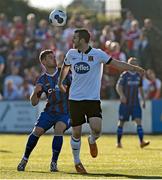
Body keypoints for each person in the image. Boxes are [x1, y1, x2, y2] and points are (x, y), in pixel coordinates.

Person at [58, 29, 145, 174]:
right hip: (75, 99)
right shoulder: (71, 54)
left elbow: (116, 64)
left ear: (83, 39)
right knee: (76, 132)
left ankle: (92, 140)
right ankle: (77, 162)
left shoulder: (98, 54)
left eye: (75, 37)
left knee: (97, 130)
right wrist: (60, 82)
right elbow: (65, 67)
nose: (72, 39)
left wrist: (133, 68)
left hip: (92, 99)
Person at [17, 49, 71, 172]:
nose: (54, 58)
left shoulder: (65, 73)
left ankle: (53, 163)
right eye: (50, 57)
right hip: (50, 111)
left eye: (54, 56)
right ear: (44, 62)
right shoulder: (41, 80)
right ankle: (24, 159)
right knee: (37, 131)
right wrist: (35, 93)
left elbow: (76, 89)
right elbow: (34, 102)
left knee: (59, 128)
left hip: (65, 112)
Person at [116, 57, 150, 148]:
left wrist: (143, 100)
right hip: (125, 103)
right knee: (121, 122)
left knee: (138, 121)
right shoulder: (124, 75)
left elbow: (141, 88)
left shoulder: (139, 76)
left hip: (135, 103)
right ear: (128, 64)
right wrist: (122, 95)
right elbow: (118, 86)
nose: (134, 65)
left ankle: (141, 142)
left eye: (135, 63)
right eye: (132, 63)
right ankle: (118, 143)